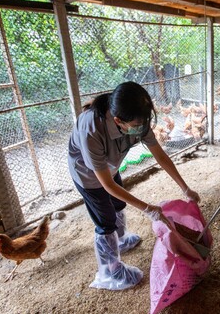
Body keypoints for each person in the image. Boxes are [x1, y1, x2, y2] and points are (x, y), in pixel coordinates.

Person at [68, 81, 200, 290]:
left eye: (145, 121)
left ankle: (119, 241)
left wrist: (185, 188)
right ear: (118, 120)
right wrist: (148, 209)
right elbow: (107, 185)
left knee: (119, 206)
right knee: (106, 221)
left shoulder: (137, 121)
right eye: (138, 125)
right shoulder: (91, 128)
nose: (142, 127)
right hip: (88, 175)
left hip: (110, 167)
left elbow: (160, 156)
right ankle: (110, 272)